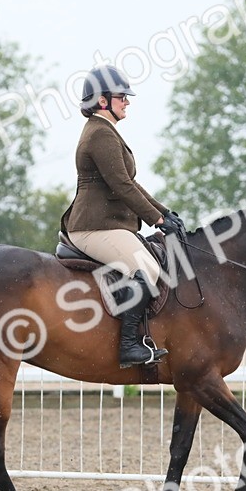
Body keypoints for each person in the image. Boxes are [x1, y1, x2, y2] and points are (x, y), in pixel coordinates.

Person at [60, 65, 185, 368]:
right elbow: (121, 185)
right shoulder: (100, 134)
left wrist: (165, 212)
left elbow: (131, 183)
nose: (127, 101)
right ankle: (129, 346)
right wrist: (156, 220)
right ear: (102, 101)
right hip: (93, 228)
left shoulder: (106, 131)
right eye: (121, 97)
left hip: (108, 225)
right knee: (147, 269)